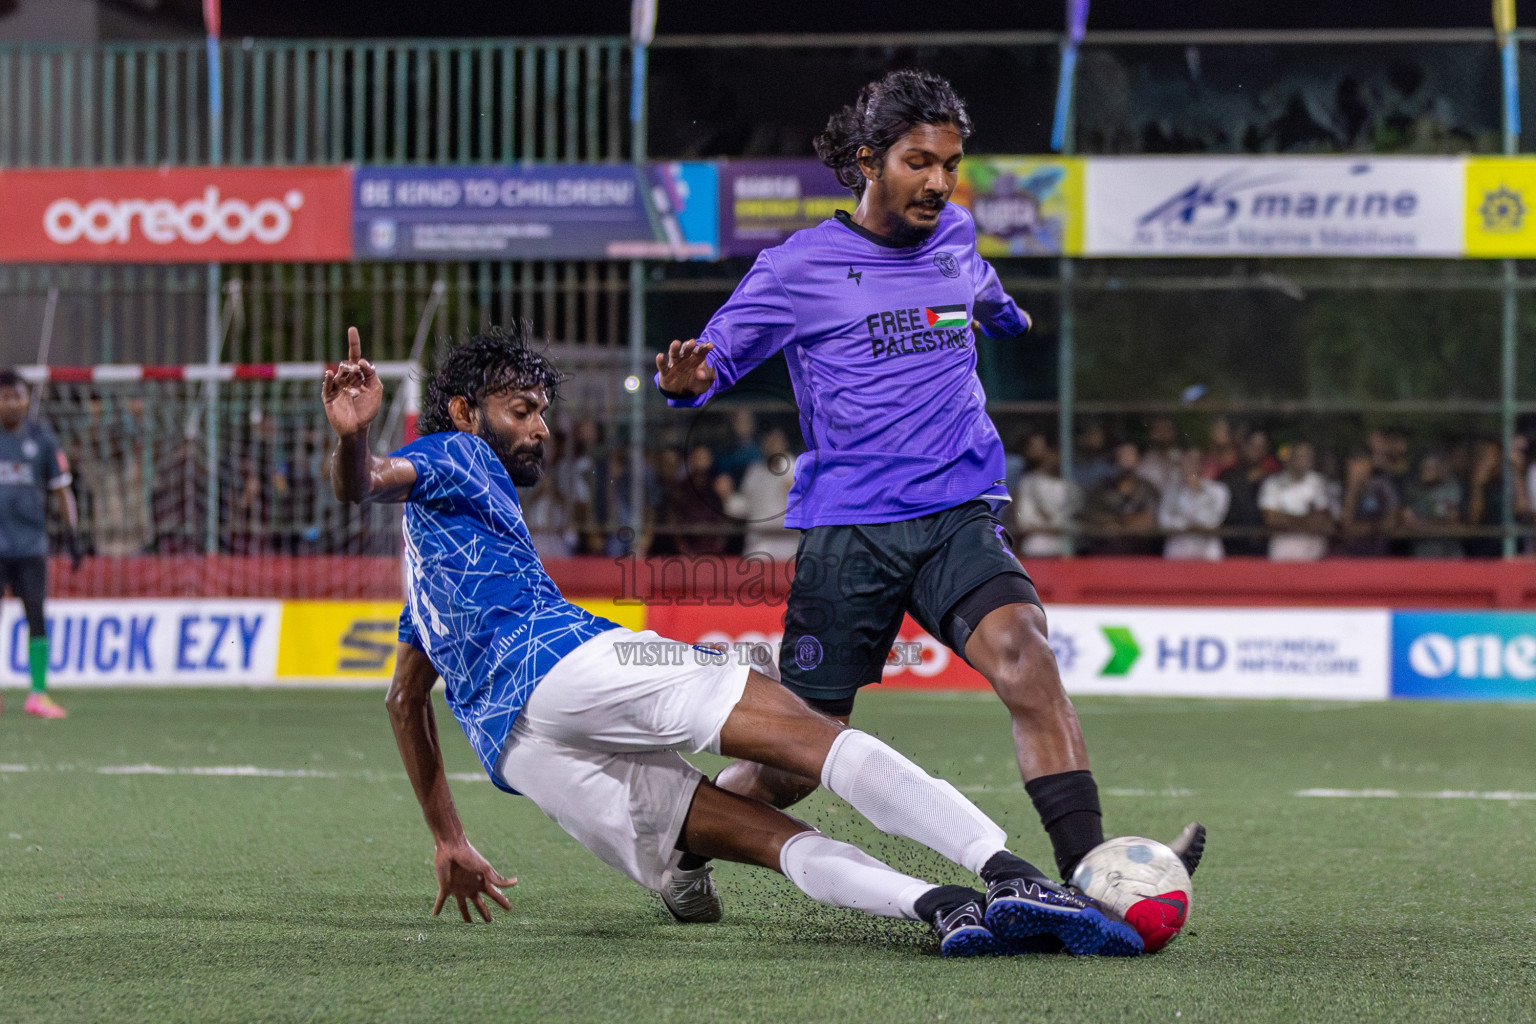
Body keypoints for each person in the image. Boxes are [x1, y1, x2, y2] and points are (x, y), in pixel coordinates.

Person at [322, 324, 1157, 958]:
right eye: (523, 411)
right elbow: (368, 481)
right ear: (468, 413)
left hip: (523, 755)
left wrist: (448, 837)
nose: (540, 429)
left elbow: (405, 700)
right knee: (811, 736)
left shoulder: (425, 575)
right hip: (564, 662)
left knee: (760, 835)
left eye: (542, 411)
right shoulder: (460, 454)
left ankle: (936, 908)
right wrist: (356, 438)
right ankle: (1013, 874)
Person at [652, 69, 1203, 889]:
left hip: (958, 514)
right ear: (869, 160)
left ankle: (1089, 874)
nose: (939, 182)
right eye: (919, 162)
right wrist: (686, 380)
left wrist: (1007, 313)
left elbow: (981, 291)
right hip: (851, 534)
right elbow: (712, 360)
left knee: (1027, 657)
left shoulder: (957, 238)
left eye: (950, 163)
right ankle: (686, 839)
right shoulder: (796, 267)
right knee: (798, 761)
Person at [0, 368, 79, 719]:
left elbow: (61, 489)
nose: (12, 403)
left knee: (36, 617)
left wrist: (75, 534)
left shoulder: (41, 438)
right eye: (5, 397)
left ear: (26, 398)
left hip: (30, 545)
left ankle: (37, 692)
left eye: (17, 396)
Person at [723, 426, 801, 561]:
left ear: (785, 444)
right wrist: (727, 495)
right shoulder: (754, 472)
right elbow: (743, 508)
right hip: (757, 545)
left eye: (776, 441)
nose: (772, 445)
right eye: (768, 441)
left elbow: (801, 503)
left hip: (786, 545)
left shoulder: (794, 468)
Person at [1258, 441, 1335, 562]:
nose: (1305, 460)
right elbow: (1271, 519)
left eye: (1308, 456)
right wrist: (1308, 520)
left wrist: (1286, 519)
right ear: (1290, 457)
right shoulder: (1273, 484)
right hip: (1282, 554)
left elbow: (1324, 521)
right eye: (1301, 456)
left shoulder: (1318, 482)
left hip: (1314, 554)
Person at [1082, 442, 1161, 556]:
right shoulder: (1100, 489)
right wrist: (1131, 521)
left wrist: (1117, 522)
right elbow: (1094, 520)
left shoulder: (1148, 489)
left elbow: (1148, 521)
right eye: (1122, 456)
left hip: (1141, 556)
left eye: (1130, 456)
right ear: (1115, 460)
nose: (1126, 462)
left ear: (1138, 460)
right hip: (1106, 555)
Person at [1011, 432, 1077, 558]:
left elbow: (1077, 521)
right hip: (1037, 547)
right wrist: (1053, 528)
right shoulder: (1028, 482)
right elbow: (1024, 522)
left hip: (1069, 548)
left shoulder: (1071, 485)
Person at [1158, 448, 1229, 562]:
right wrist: (1189, 526)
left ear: (1201, 464)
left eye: (1194, 461)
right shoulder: (1170, 491)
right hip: (1177, 555)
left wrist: (1197, 491)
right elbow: (1165, 522)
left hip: (1207, 555)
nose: (1189, 465)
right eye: (1186, 460)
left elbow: (1211, 522)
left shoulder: (1218, 490)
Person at [1400, 450, 1464, 559]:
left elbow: (1452, 520)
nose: (1425, 471)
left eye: (1430, 468)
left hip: (1447, 552)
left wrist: (1423, 524)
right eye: (1423, 467)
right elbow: (1407, 519)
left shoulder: (1450, 486)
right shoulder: (1413, 489)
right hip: (1423, 552)